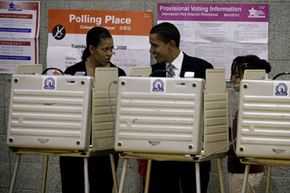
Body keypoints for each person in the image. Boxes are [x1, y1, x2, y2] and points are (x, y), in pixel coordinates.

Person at [142, 22, 213, 193]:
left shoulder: (202, 68)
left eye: (155, 45)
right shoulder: (152, 72)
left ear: (171, 44)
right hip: (160, 152)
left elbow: (211, 109)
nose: (151, 50)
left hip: (192, 151)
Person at [60, 26, 125, 193]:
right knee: (73, 186)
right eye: (105, 49)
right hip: (74, 142)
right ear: (91, 48)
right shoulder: (73, 71)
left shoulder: (118, 73)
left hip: (105, 144)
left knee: (102, 187)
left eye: (112, 49)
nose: (109, 53)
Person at [228, 55, 271, 193]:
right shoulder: (249, 102)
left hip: (246, 170)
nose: (234, 80)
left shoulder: (254, 105)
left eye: (237, 76)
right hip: (243, 169)